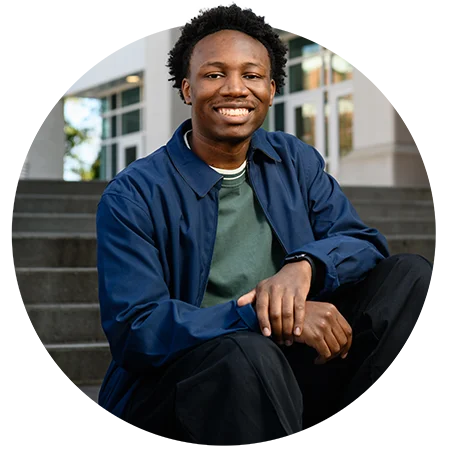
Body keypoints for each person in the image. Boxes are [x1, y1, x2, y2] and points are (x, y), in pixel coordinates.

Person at [95, 4, 447, 447]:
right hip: (183, 384)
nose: (235, 89)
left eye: (252, 75)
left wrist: (304, 267)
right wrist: (264, 314)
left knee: (411, 277)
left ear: (272, 88)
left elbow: (361, 243)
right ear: (186, 89)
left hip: (290, 368)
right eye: (214, 74)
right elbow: (138, 330)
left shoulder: (293, 160)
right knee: (246, 352)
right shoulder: (134, 195)